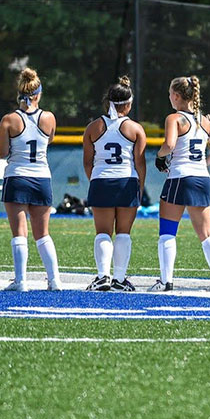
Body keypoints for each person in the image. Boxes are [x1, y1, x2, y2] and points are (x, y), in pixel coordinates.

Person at [150, 76, 210, 291]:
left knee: (167, 231)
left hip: (180, 177)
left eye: (169, 94)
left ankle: (166, 281)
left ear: (176, 96)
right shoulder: (204, 120)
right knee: (206, 233)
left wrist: (159, 156)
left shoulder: (174, 118)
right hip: (201, 177)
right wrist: (203, 163)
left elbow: (169, 144)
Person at [0, 67, 62, 292]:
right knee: (43, 234)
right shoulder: (49, 117)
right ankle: (55, 281)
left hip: (17, 177)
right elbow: (49, 139)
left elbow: (2, 152)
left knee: (19, 232)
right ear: (38, 93)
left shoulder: (9, 119)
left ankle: (21, 281)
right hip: (42, 178)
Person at [82, 76, 147, 291]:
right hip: (127, 182)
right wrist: (140, 185)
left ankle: (103, 277)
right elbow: (140, 162)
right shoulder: (136, 129)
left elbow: (87, 162)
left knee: (102, 232)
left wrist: (97, 180)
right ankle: (119, 279)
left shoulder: (93, 127)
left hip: (101, 181)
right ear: (128, 105)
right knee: (123, 232)